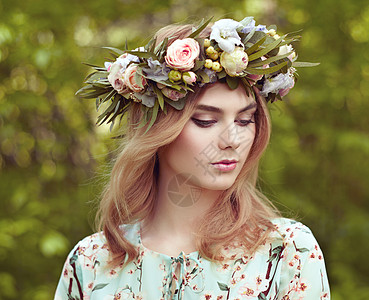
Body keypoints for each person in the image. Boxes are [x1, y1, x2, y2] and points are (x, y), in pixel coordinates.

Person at [55, 17, 330, 299]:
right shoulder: (90, 262)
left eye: (246, 120)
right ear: (157, 130)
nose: (232, 141)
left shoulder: (287, 252)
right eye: (206, 121)